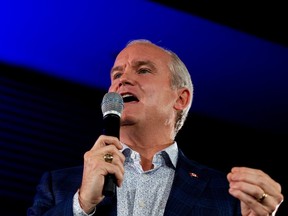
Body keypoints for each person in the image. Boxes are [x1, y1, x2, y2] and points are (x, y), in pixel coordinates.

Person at [27, 39, 284, 216]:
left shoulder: (226, 195)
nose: (123, 79)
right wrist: (82, 204)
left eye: (144, 70)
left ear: (180, 99)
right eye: (116, 75)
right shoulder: (59, 185)